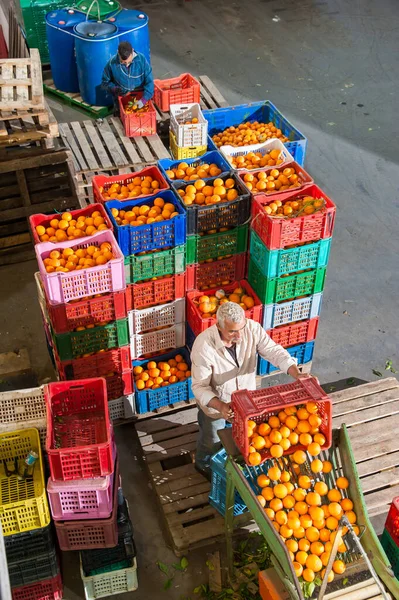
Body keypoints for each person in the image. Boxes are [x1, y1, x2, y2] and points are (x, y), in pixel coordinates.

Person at [190, 302, 310, 480]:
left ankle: (228, 464)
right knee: (212, 439)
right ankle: (203, 464)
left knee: (241, 436)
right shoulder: (204, 346)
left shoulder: (252, 329)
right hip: (216, 406)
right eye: (232, 331)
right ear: (219, 327)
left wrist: (296, 373)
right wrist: (221, 406)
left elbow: (273, 351)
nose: (239, 335)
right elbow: (199, 387)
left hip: (246, 401)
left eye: (241, 328)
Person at [102, 41, 154, 115]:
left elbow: (150, 82)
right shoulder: (112, 64)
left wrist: (144, 99)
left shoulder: (141, 60)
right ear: (118, 53)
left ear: (132, 51)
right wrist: (115, 89)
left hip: (140, 97)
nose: (126, 65)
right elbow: (105, 83)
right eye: (123, 62)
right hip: (121, 99)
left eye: (129, 62)